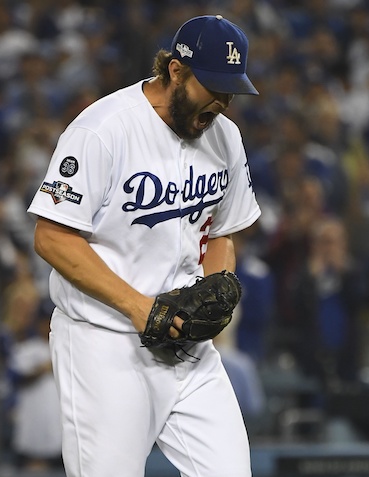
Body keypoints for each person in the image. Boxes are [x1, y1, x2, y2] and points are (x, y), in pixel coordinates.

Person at [27, 15, 260, 477]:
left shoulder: (225, 137)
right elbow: (52, 236)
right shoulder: (103, 129)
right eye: (211, 87)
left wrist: (216, 285)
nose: (221, 102)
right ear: (175, 71)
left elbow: (221, 230)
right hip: (105, 342)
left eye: (230, 91)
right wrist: (138, 306)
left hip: (187, 346)